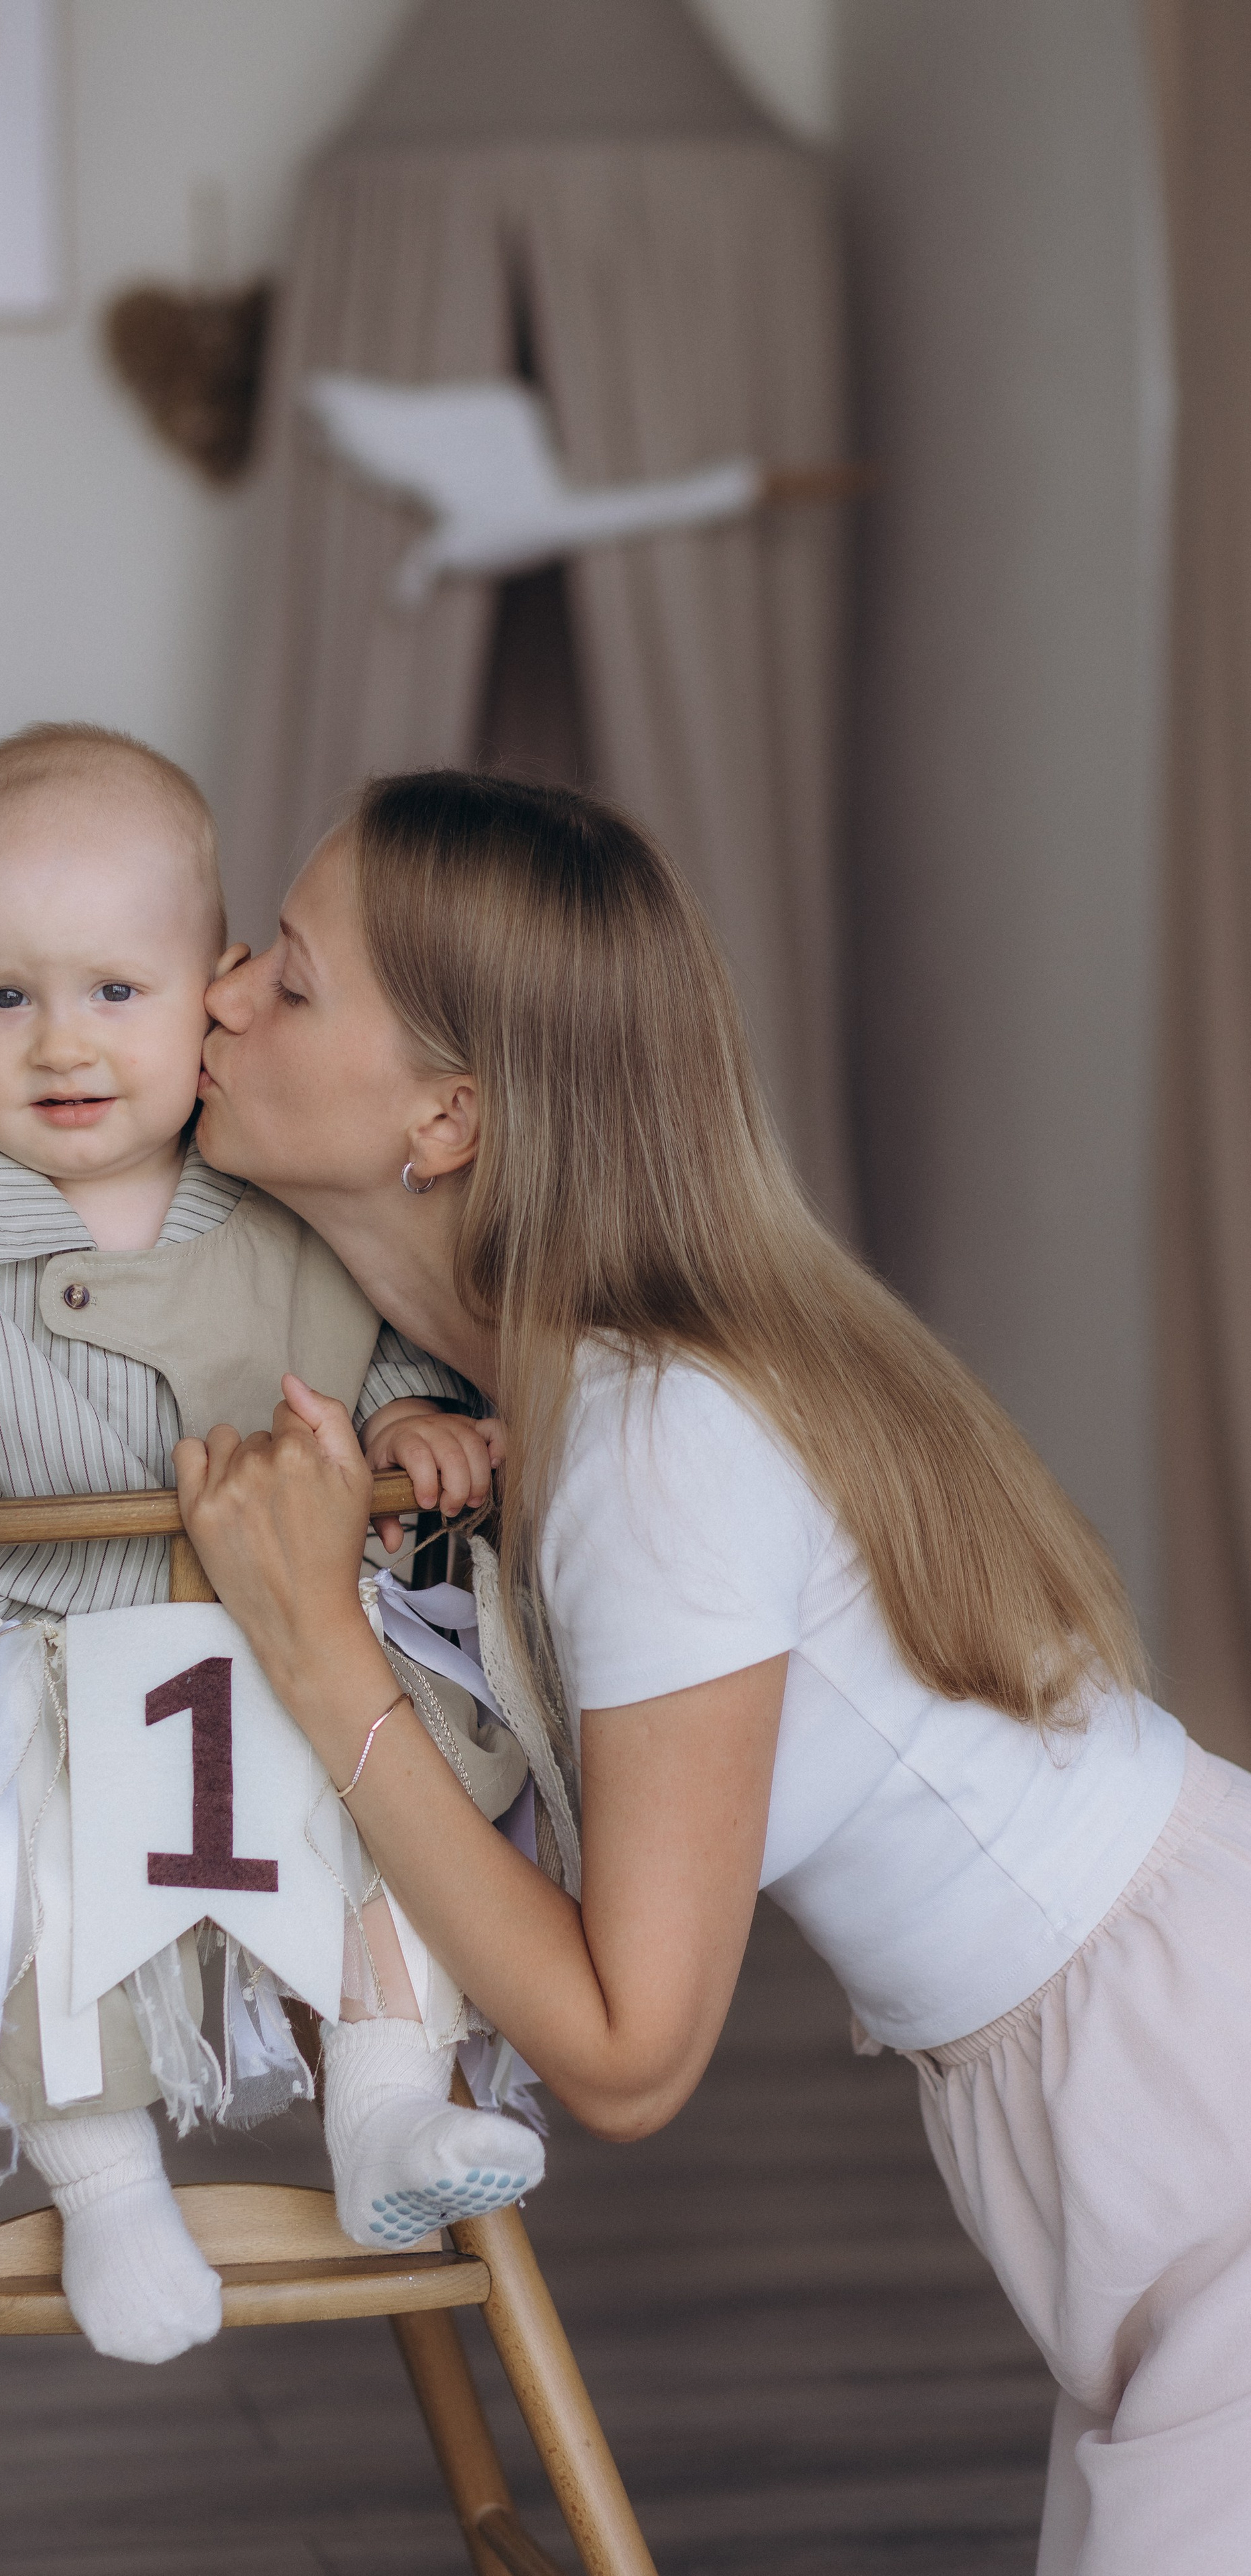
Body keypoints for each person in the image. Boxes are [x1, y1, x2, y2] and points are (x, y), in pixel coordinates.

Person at [174, 767, 1251, 2576]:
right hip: (1150, 2089)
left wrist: (314, 1646)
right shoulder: (591, 1400)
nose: (216, 993)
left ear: (446, 1115)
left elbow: (628, 2055)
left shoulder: (654, 1446)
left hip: (1194, 2097)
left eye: (285, 978)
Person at [0, 725, 545, 2365]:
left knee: (395, 1781)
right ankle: (103, 2186)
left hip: (280, 1631)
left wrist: (405, 1431)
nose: (61, 1042)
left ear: (213, 982)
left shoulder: (277, 1182)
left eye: (114, 989)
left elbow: (385, 1352)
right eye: (2, 998)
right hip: (14, 1645)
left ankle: (386, 2106)